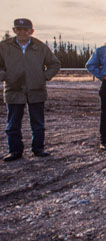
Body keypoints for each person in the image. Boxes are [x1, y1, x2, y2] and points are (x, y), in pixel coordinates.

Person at [1, 18, 61, 161]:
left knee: (38, 123)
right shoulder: (4, 47)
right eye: (19, 29)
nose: (22, 32)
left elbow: (54, 64)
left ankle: (38, 149)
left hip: (36, 89)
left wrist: (44, 77)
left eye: (25, 30)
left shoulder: (40, 47)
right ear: (14, 30)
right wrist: (5, 76)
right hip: (14, 89)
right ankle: (15, 151)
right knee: (13, 123)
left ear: (31, 31)